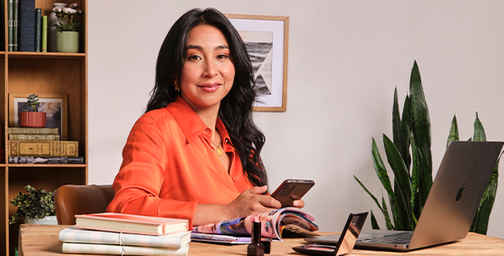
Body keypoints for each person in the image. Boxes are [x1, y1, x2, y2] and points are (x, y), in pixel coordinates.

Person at [106, 7, 304, 228]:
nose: (210, 70)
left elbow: (243, 221)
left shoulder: (238, 138)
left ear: (235, 66)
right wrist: (228, 211)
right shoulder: (156, 127)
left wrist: (272, 211)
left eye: (221, 56)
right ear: (174, 71)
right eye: (195, 57)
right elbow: (126, 207)